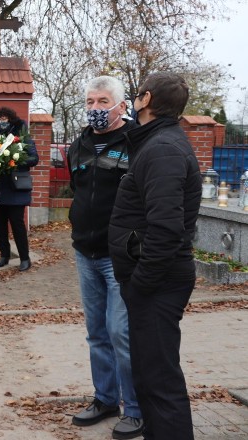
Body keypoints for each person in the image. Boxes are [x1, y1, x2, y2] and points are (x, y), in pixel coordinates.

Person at [109, 72, 201, 439]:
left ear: (145, 99)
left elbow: (165, 228)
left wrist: (140, 284)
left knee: (160, 379)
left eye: (137, 94)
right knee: (148, 374)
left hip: (157, 283)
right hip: (152, 281)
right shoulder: (155, 142)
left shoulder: (162, 148)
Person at [67, 76, 143, 439]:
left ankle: (137, 408)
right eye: (90, 101)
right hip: (85, 250)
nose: (95, 108)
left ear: (121, 106)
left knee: (120, 332)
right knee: (96, 332)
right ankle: (105, 398)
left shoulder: (135, 142)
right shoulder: (79, 142)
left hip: (120, 255)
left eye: (102, 101)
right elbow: (78, 189)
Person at [0, 107, 38, 272]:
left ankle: (24, 258)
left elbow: (33, 158)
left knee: (17, 224)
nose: (2, 122)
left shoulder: (22, 136)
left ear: (11, 119)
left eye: (5, 118)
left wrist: (13, 160)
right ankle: (4, 255)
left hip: (15, 188)